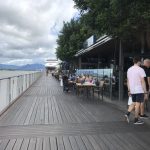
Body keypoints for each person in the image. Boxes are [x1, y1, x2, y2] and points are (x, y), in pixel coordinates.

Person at [125, 56, 148, 125]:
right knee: (137, 105)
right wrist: (145, 92)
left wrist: (129, 90)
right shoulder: (140, 69)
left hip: (132, 90)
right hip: (139, 90)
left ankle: (127, 113)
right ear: (138, 61)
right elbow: (143, 82)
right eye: (141, 61)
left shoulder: (129, 69)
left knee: (134, 103)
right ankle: (136, 120)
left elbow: (128, 81)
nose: (141, 62)